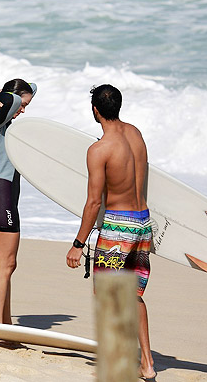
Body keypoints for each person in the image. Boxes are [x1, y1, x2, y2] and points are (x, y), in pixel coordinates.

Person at [66, 84, 156, 379]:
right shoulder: (136, 134)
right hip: (143, 222)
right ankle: (147, 364)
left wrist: (78, 244)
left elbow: (94, 202)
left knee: (109, 296)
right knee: (134, 296)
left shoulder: (99, 150)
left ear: (95, 110)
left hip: (118, 227)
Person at [0, 79, 37, 324]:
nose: (23, 109)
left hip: (4, 198)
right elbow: (12, 99)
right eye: (23, 104)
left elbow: (29, 87)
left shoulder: (2, 118)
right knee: (5, 265)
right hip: (1, 197)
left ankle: (6, 325)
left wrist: (19, 93)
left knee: (8, 265)